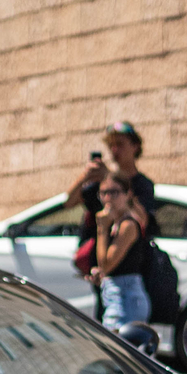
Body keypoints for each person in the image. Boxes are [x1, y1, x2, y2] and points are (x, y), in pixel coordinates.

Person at [64, 120, 155, 248]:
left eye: (120, 144)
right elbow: (68, 202)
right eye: (111, 145)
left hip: (125, 253)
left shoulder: (142, 184)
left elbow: (142, 219)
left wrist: (112, 179)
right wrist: (85, 176)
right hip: (97, 252)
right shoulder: (102, 182)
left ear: (135, 146)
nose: (115, 150)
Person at [91, 174, 152, 335]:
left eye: (114, 192)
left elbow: (107, 264)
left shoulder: (128, 225)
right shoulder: (117, 224)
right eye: (103, 193)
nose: (108, 198)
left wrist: (101, 228)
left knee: (118, 353)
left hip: (126, 299)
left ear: (128, 194)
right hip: (116, 294)